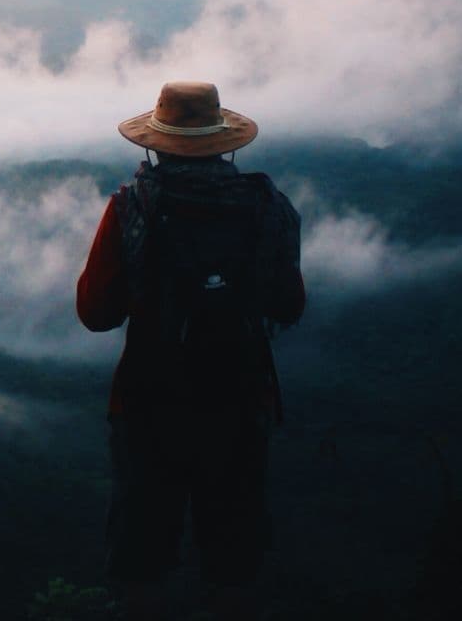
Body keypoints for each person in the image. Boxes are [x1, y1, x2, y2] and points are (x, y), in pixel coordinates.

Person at [77, 81, 304, 620]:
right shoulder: (268, 208)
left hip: (149, 403)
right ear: (226, 143)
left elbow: (95, 313)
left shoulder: (131, 207)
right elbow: (288, 305)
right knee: (233, 561)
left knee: (142, 560)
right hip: (240, 399)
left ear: (155, 145)